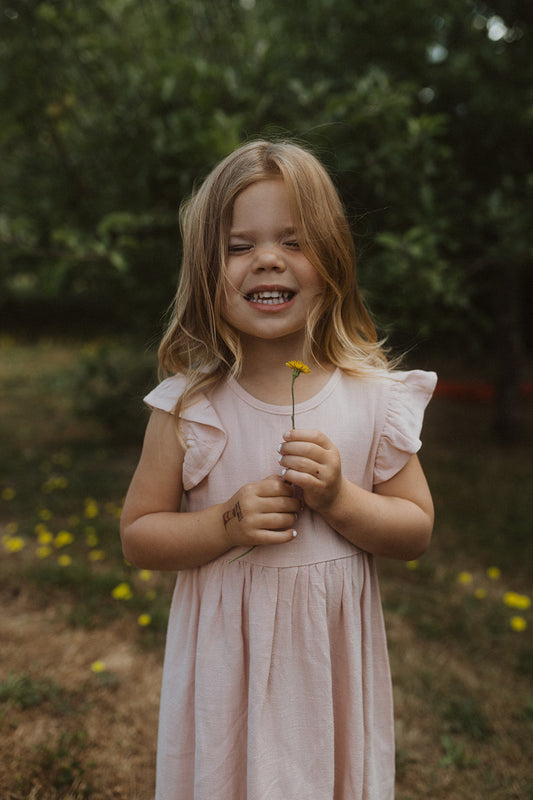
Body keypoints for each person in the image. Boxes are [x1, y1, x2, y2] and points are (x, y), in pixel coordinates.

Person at [120, 140, 437, 800]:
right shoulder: (190, 407)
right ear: (207, 270)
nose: (267, 258)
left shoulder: (372, 396)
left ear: (332, 261)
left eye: (293, 241)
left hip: (325, 674)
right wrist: (224, 523)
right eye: (239, 246)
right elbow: (139, 535)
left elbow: (413, 531)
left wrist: (340, 498)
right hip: (226, 674)